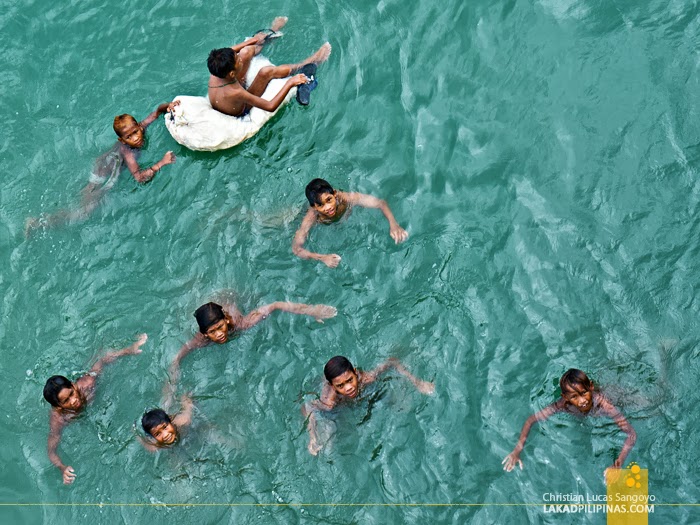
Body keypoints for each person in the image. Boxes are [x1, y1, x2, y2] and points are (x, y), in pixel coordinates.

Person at [25, 102, 178, 235]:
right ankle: (37, 223)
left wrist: (167, 106)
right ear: (121, 140)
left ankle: (86, 190)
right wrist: (161, 163)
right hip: (106, 173)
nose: (136, 138)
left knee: (86, 197)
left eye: (136, 132)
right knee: (84, 213)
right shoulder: (128, 152)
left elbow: (156, 113)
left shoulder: (141, 129)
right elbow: (139, 177)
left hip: (102, 166)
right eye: (129, 137)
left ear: (139, 126)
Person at [165, 299, 337, 392]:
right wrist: (173, 376)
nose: (219, 334)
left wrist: (312, 311)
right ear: (204, 334)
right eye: (212, 332)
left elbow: (275, 305)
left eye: (220, 327)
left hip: (228, 299)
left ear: (226, 320)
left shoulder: (241, 324)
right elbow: (177, 357)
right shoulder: (201, 340)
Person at [43, 334, 147, 484]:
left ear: (73, 385)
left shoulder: (86, 383)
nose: (73, 401)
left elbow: (103, 359)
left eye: (72, 393)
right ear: (58, 406)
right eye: (66, 401)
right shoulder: (59, 419)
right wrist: (62, 467)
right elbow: (51, 451)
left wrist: (130, 349)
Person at [502, 369, 637, 477]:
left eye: (584, 393)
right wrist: (517, 450)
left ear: (590, 387)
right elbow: (531, 420)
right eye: (574, 397)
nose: (582, 400)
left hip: (621, 398)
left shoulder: (604, 404)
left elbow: (631, 434)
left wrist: (618, 463)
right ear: (565, 397)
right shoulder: (563, 405)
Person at [302, 356, 434, 455]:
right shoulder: (329, 401)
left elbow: (392, 362)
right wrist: (312, 437)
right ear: (332, 386)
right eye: (341, 385)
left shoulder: (366, 379)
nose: (348, 388)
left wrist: (418, 383)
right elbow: (307, 407)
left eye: (350, 380)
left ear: (354, 373)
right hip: (336, 403)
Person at [207, 16, 331, 117]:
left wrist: (253, 40)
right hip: (242, 107)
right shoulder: (236, 92)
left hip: (228, 90)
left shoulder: (216, 67)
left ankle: (271, 33)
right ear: (232, 74)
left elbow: (230, 50)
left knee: (246, 51)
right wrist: (290, 83)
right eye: (238, 61)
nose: (240, 59)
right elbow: (270, 106)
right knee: (266, 72)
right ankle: (312, 61)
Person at [292, 178, 409, 268]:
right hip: (297, 215)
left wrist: (394, 224)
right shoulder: (311, 217)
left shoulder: (346, 198)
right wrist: (322, 258)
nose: (328, 207)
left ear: (335, 194)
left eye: (329, 200)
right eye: (321, 205)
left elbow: (380, 203)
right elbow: (296, 249)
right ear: (314, 207)